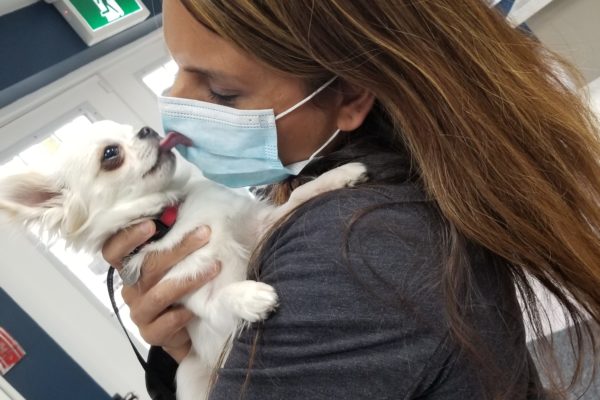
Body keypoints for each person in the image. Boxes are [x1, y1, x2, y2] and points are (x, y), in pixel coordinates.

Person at [102, 0, 600, 399]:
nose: (176, 113)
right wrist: (181, 347)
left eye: (221, 91)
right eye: (178, 70)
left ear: (350, 97)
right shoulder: (388, 189)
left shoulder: (349, 248)